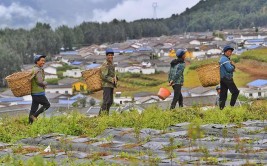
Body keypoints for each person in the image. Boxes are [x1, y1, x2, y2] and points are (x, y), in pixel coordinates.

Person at [29, 54, 50, 124]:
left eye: (44, 61)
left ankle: (29, 124)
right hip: (38, 93)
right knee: (47, 105)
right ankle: (34, 116)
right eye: (42, 60)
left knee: (33, 109)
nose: (43, 62)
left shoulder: (35, 69)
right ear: (37, 61)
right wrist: (45, 83)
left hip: (35, 92)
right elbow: (40, 82)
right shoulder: (37, 70)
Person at [219, 46, 239, 110]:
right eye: (229, 51)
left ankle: (221, 109)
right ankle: (231, 107)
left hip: (222, 78)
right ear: (225, 52)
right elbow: (229, 69)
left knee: (223, 94)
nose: (230, 53)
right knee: (235, 92)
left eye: (231, 51)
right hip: (227, 78)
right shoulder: (225, 59)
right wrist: (233, 66)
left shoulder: (223, 58)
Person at [99, 48, 117, 115]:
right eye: (109, 55)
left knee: (110, 101)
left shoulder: (111, 64)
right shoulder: (105, 64)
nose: (110, 56)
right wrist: (111, 79)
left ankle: (106, 115)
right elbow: (103, 76)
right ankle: (101, 116)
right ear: (106, 56)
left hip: (111, 85)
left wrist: (115, 78)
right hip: (106, 85)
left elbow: (112, 74)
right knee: (106, 101)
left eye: (111, 55)